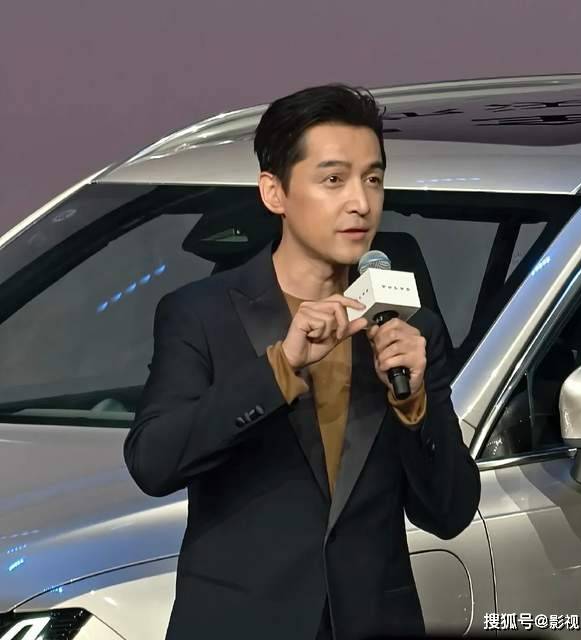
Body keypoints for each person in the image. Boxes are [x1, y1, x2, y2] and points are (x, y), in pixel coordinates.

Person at [123, 84, 480, 640]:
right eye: (333, 180)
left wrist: (413, 405)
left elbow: (450, 512)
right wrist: (280, 367)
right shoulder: (201, 314)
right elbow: (154, 462)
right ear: (275, 192)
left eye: (373, 179)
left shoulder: (410, 331)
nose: (361, 203)